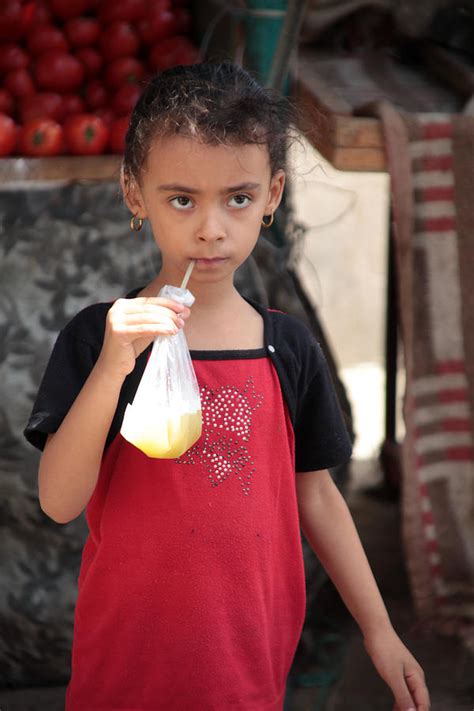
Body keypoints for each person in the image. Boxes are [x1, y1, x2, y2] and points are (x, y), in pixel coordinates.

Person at [24, 62, 430, 711]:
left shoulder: (287, 347)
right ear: (135, 193)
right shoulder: (100, 338)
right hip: (123, 672)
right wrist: (111, 367)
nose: (211, 228)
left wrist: (379, 630)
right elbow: (59, 500)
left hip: (245, 670)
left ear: (271, 195)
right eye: (182, 198)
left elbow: (318, 497)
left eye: (237, 198)